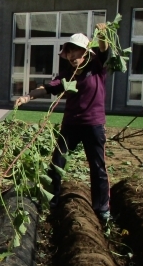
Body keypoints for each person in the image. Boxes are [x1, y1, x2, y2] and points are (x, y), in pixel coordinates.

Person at [15, 26, 111, 220]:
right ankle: (52, 200)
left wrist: (102, 35)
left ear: (85, 52)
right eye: (69, 51)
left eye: (75, 50)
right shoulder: (67, 74)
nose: (71, 55)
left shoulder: (97, 67)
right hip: (71, 125)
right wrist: (27, 97)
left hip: (93, 124)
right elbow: (47, 87)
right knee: (57, 161)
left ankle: (102, 208)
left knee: (97, 167)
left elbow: (104, 49)